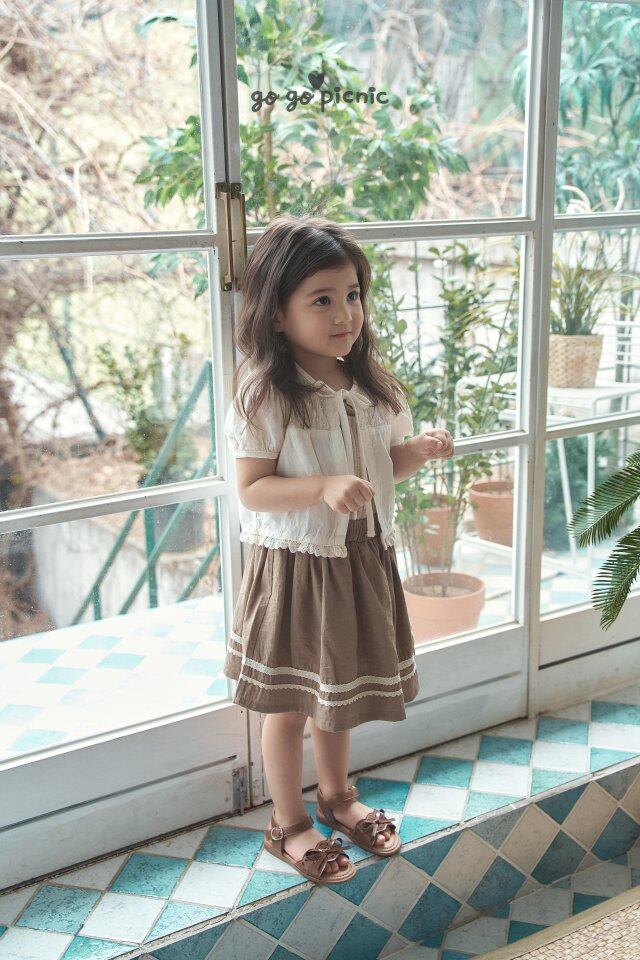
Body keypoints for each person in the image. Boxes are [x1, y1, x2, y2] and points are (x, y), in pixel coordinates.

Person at [223, 213, 454, 884]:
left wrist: (416, 452)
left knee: (339, 692)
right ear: (276, 313)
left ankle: (336, 796)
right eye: (321, 300)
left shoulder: (369, 387)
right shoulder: (267, 393)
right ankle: (287, 822)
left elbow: (378, 469)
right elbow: (252, 490)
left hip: (359, 559)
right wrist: (321, 486)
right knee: (291, 704)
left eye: (352, 295)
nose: (344, 313)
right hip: (298, 568)